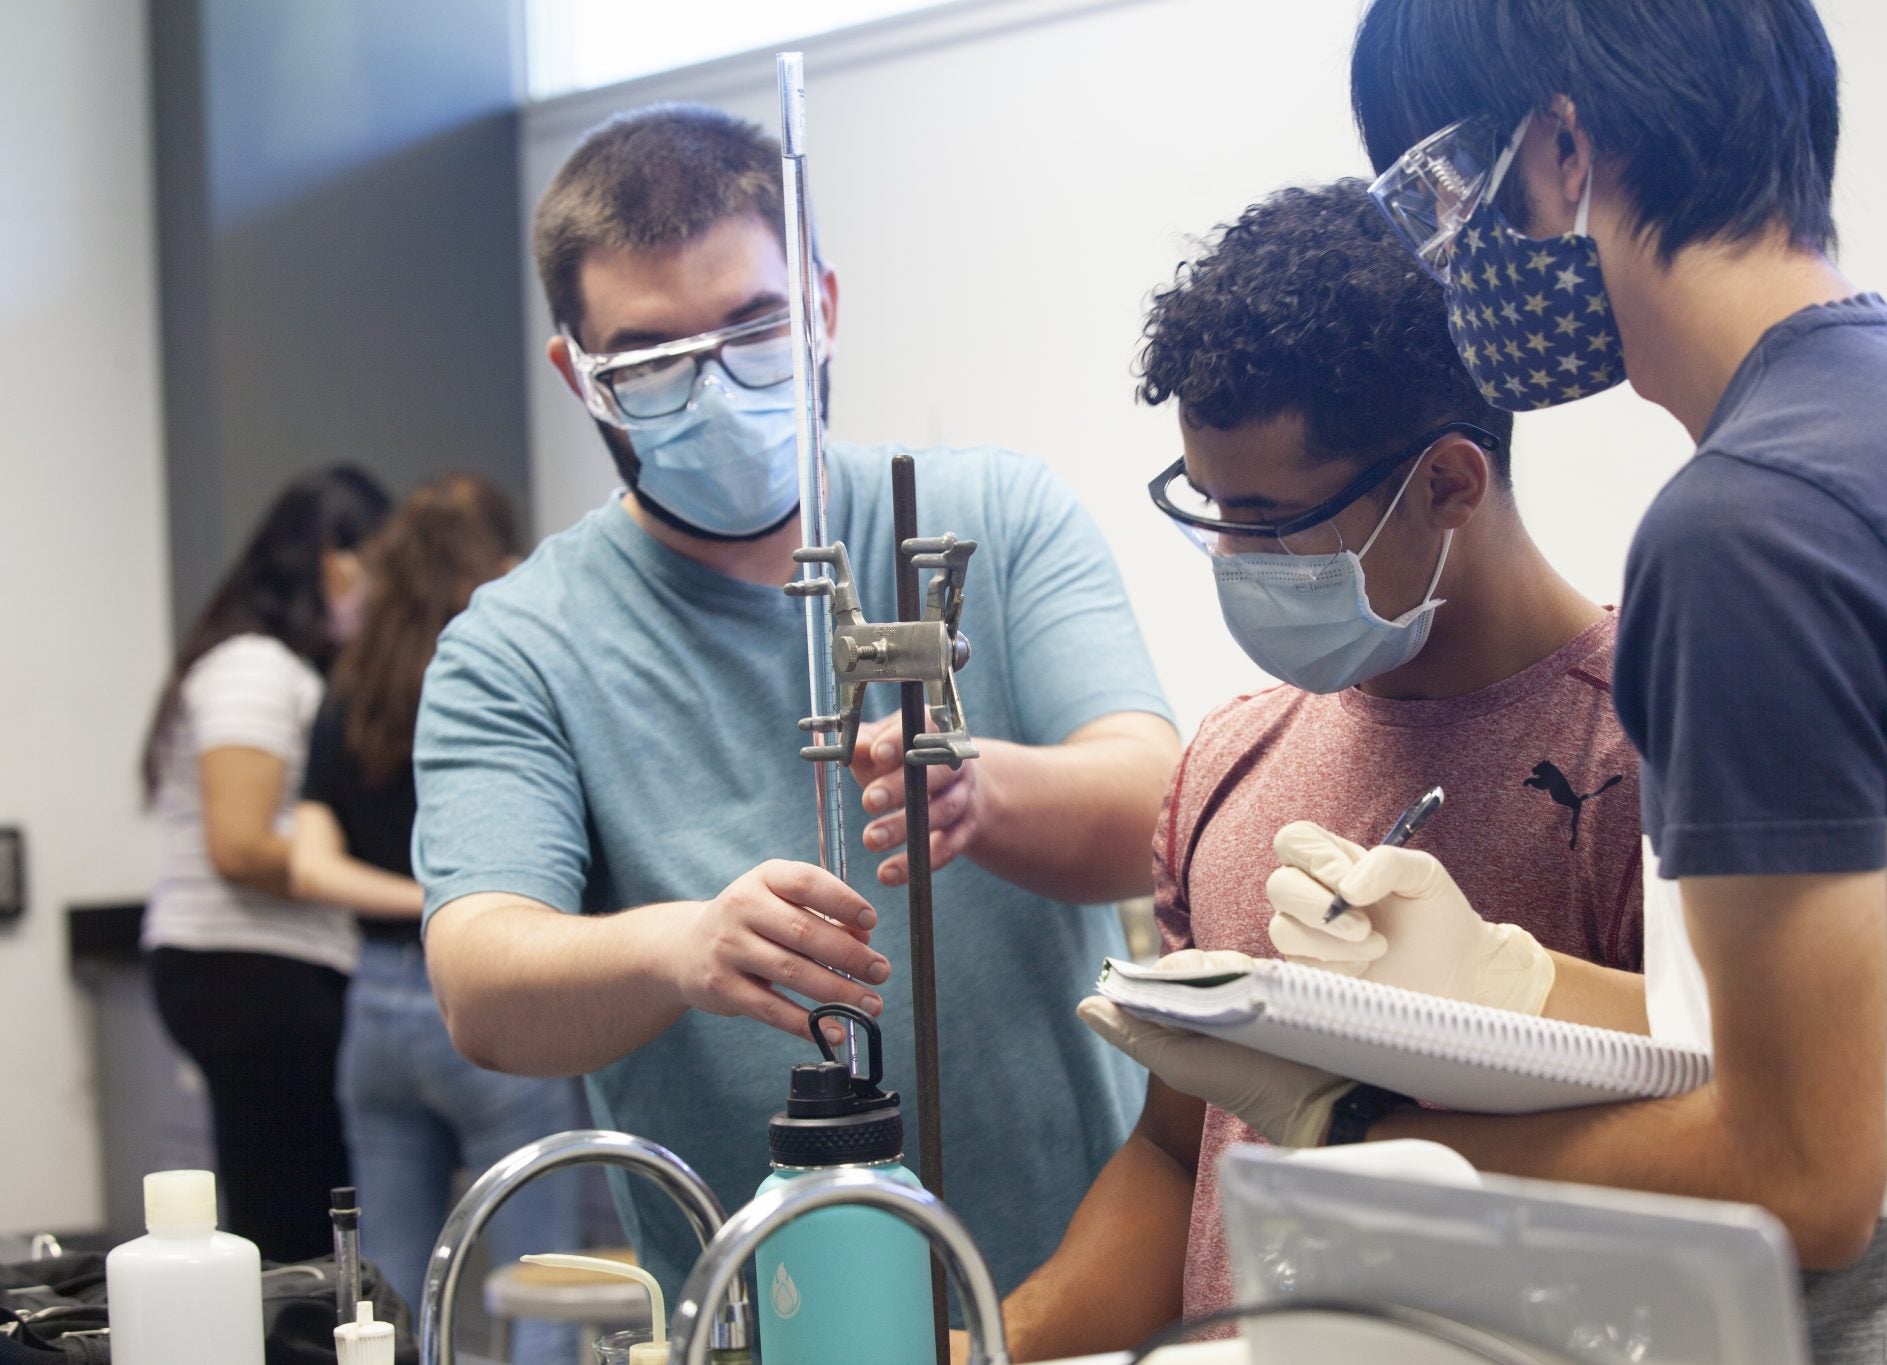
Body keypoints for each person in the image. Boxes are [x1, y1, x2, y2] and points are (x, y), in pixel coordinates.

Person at [1091, 1, 1887, 1358]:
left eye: (1432, 194)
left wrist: (1372, 1140)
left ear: (1555, 154)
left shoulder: (1744, 532)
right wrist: (1502, 977)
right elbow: (1846, 1035)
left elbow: (1804, 1178)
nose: (1442, 258)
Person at [413, 102, 1180, 1300]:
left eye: (755, 329)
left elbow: (1152, 801)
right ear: (576, 374)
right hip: (768, 1310)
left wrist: (987, 793)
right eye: (652, 360)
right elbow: (480, 983)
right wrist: (683, 946)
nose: (715, 392)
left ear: (819, 305)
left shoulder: (992, 515)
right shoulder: (518, 646)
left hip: (1090, 1292)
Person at [988, 182, 1646, 1360]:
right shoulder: (1231, 763)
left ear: (1448, 481)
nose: (1231, 558)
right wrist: (992, 1347)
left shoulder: (1634, 756)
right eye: (1208, 508)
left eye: (1270, 518)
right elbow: (1175, 1160)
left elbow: (1739, 1153)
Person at [288, 474, 578, 1359]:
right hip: (491, 1005)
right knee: (545, 1286)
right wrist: (467, 905)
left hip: (373, 1012)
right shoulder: (501, 679)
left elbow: (308, 863)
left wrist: (422, 901)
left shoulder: (354, 688)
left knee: (388, 1300)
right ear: (498, 566)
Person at [140, 464, 392, 1261]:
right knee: (290, 1232)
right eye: (376, 566)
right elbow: (240, 843)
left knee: (293, 1213)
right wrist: (383, 879)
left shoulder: (271, 667)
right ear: (329, 555)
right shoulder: (255, 667)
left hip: (254, 970)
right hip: (250, 971)